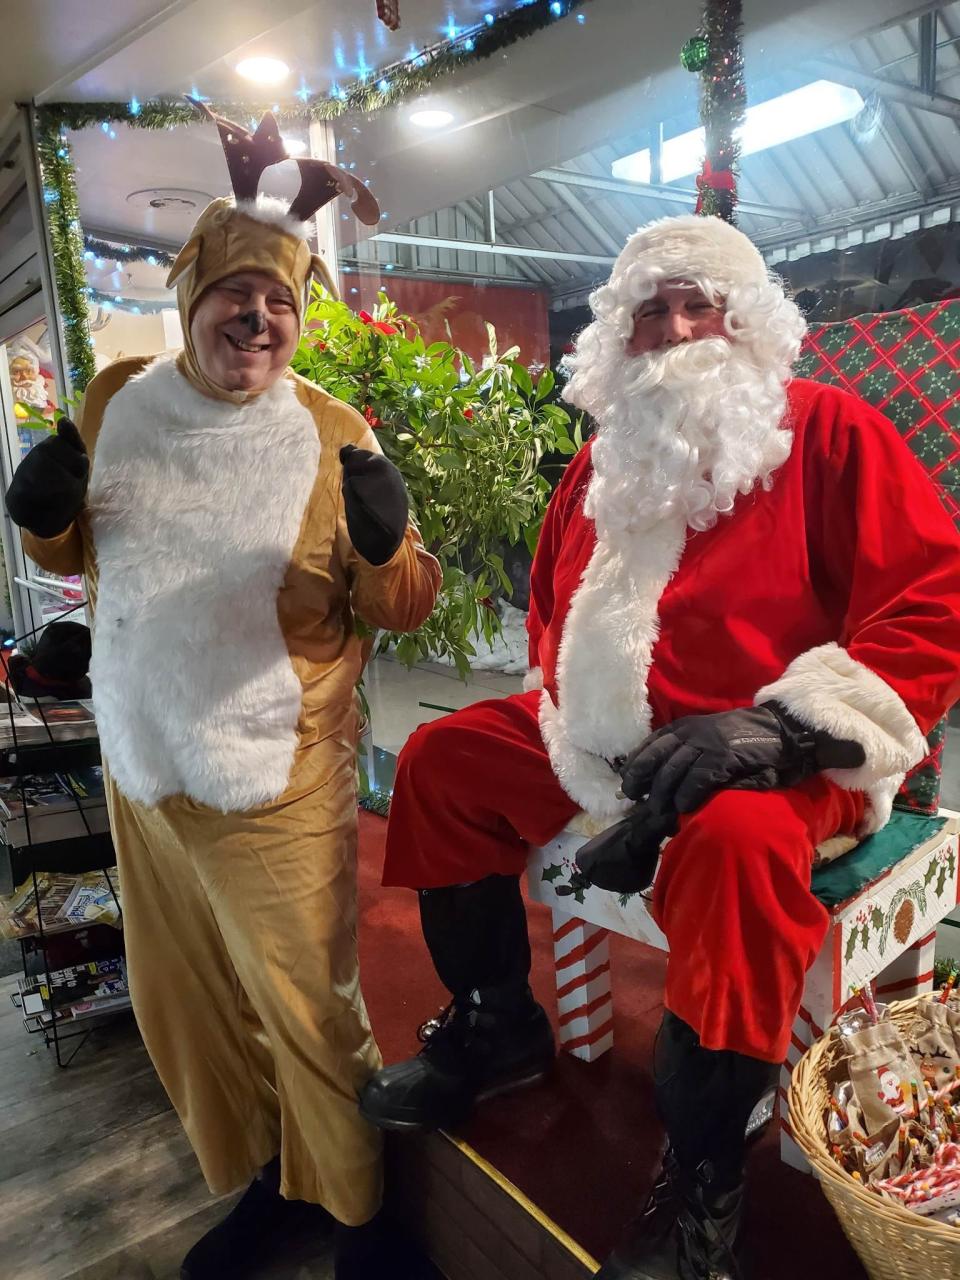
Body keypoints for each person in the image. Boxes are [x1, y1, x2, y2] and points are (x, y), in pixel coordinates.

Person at [357, 213, 960, 1279]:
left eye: (702, 304)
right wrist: (584, 729)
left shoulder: (824, 431)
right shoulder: (602, 464)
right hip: (613, 743)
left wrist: (782, 725)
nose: (678, 329)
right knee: (448, 757)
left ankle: (702, 1177)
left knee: (733, 847)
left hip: (784, 751)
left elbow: (932, 600)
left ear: (746, 321)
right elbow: (550, 614)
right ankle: (497, 1023)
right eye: (652, 311)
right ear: (619, 337)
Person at [4, 108, 441, 1280]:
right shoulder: (117, 402)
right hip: (144, 758)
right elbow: (86, 558)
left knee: (305, 1004)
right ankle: (273, 1182)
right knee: (186, 1003)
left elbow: (398, 601)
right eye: (236, 294)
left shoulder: (332, 430)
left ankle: (358, 1218)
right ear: (192, 299)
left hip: (279, 763)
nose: (259, 316)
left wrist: (389, 541)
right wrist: (42, 509)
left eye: (282, 301)